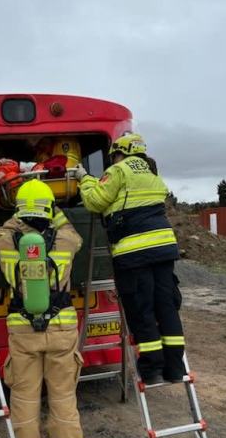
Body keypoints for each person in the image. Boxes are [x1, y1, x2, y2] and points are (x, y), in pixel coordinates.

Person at [0, 179, 85, 438]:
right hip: (61, 327)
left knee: (23, 400)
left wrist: (20, 215)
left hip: (23, 329)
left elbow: (3, 230)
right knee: (63, 399)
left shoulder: (6, 238)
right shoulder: (66, 238)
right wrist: (54, 211)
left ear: (19, 209)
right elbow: (74, 234)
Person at [75, 132, 185, 385]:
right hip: (164, 248)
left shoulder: (118, 170)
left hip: (134, 253)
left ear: (119, 152)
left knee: (141, 309)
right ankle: (175, 368)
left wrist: (85, 179)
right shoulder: (151, 171)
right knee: (166, 307)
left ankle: (152, 370)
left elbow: (94, 202)